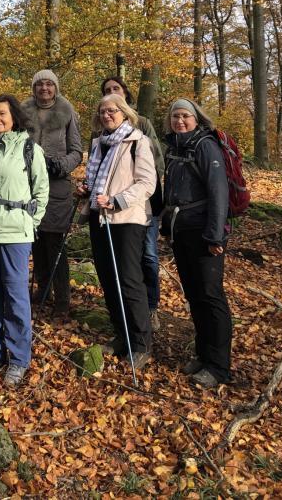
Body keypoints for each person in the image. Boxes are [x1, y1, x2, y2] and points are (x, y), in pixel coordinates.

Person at [0, 94, 49, 387]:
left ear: (13, 116)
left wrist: (30, 223)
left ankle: (18, 357)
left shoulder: (29, 148)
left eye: (2, 114)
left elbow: (41, 192)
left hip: (15, 233)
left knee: (15, 295)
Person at [84, 94, 156, 370]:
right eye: (102, 111)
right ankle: (121, 335)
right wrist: (87, 190)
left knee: (129, 279)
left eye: (112, 110)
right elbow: (96, 180)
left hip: (127, 219)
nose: (107, 115)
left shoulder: (137, 142)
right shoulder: (99, 144)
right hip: (99, 218)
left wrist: (117, 200)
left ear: (124, 113)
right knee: (108, 279)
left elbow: (147, 182)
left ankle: (141, 343)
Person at [163, 98, 232, 387]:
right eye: (175, 116)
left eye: (185, 116)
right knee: (194, 295)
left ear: (196, 118)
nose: (180, 121)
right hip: (182, 233)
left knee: (210, 296)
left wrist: (215, 236)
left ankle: (219, 367)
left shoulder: (205, 146)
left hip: (205, 234)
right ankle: (203, 355)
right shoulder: (176, 148)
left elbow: (219, 192)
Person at [100, 76, 165, 331]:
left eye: (116, 90)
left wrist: (133, 199)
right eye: (107, 92)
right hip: (106, 213)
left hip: (136, 210)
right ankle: (123, 323)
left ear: (125, 96)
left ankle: (149, 309)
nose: (112, 94)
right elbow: (101, 171)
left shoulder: (141, 129)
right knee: (115, 271)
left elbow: (152, 168)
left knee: (145, 258)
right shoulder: (100, 137)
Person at [22, 69, 82, 318]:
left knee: (55, 243)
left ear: (55, 88)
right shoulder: (23, 111)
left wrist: (63, 164)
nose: (44, 89)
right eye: (40, 85)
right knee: (35, 240)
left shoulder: (67, 111)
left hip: (57, 185)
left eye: (49, 84)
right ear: (34, 88)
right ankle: (42, 290)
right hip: (27, 184)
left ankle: (62, 300)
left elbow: (77, 150)